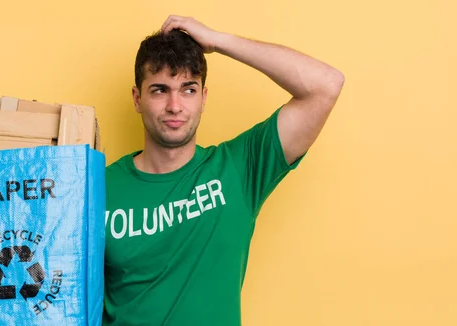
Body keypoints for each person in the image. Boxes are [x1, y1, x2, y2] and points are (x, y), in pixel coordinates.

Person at [103, 15, 344, 325]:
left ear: (204, 98)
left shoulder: (238, 169)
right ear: (138, 99)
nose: (175, 106)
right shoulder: (97, 186)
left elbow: (326, 85)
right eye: (160, 90)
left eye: (188, 89)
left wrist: (218, 41)